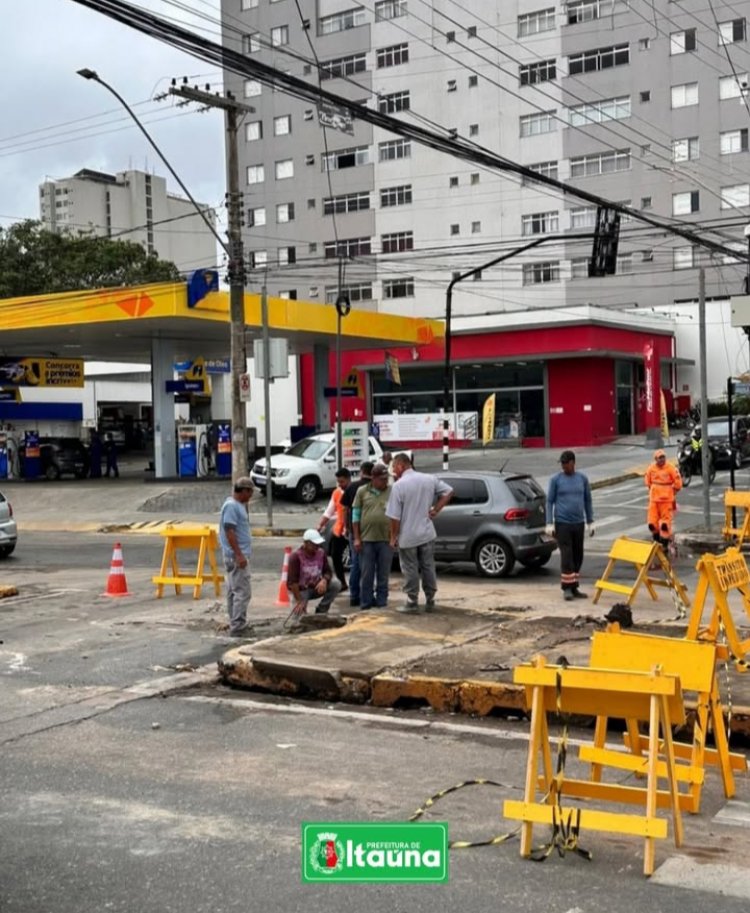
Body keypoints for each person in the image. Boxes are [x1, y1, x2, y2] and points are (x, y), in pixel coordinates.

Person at [386, 452, 453, 613]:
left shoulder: (399, 486)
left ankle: (412, 601)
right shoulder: (428, 479)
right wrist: (436, 509)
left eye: (395, 467)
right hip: (427, 533)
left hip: (408, 536)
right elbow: (449, 491)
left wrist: (393, 537)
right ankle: (430, 600)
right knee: (428, 566)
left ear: (401, 465)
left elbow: (394, 517)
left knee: (410, 568)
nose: (394, 472)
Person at [546, 450, 595, 602]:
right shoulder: (556, 480)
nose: (563, 466)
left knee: (578, 555)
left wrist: (590, 521)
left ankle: (574, 586)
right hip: (563, 523)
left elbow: (588, 500)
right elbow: (549, 501)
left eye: (566, 463)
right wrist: (549, 523)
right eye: (562, 463)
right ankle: (566, 588)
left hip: (578, 523)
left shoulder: (582, 479)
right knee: (567, 556)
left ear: (573, 462)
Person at [352, 463, 392, 609]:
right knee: (367, 574)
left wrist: (395, 536)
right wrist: (357, 538)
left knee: (383, 574)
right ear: (373, 479)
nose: (385, 482)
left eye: (386, 479)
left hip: (386, 540)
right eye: (382, 479)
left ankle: (382, 601)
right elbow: (355, 515)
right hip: (366, 540)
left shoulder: (391, 491)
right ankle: (366, 602)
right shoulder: (362, 491)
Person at [219, 476, 254, 637]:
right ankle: (238, 625)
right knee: (242, 591)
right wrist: (239, 555)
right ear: (244, 491)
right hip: (236, 557)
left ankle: (236, 622)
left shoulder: (237, 505)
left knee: (234, 591)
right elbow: (230, 531)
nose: (251, 496)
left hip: (236, 555)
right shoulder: (232, 506)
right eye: (250, 492)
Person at [340, 461, 374, 608]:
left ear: (361, 471)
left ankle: (354, 596)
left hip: (355, 532)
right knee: (370, 565)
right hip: (371, 531)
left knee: (356, 564)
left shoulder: (352, 487)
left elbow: (346, 509)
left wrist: (347, 528)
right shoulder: (375, 487)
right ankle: (367, 595)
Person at [287, 528, 342, 615]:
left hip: (315, 587)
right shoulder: (295, 557)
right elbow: (293, 582)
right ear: (306, 543)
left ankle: (322, 609)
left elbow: (327, 571)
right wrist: (299, 600)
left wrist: (324, 580)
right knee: (298, 618)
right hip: (300, 590)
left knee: (336, 584)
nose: (317, 546)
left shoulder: (321, 553)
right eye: (314, 544)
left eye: (318, 544)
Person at [317, 467, 351, 592]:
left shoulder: (354, 491)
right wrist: (320, 525)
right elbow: (329, 511)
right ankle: (342, 582)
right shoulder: (337, 493)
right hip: (339, 530)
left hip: (352, 530)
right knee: (335, 556)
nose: (340, 484)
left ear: (348, 479)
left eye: (342, 482)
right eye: (338, 482)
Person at [645, 448, 682, 550]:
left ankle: (664, 543)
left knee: (665, 524)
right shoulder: (651, 468)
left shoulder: (670, 468)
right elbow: (647, 481)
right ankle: (656, 539)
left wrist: (673, 491)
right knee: (652, 522)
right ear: (655, 459)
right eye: (659, 458)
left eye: (663, 457)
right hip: (654, 500)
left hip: (666, 500)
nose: (661, 460)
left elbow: (678, 482)